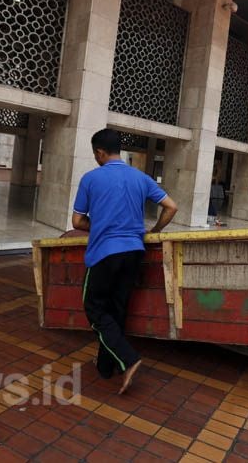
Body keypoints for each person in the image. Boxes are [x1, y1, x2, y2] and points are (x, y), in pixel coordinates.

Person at [72, 128, 178, 394]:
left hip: (104, 253)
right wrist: (154, 232)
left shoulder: (91, 178)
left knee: (94, 309)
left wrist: (100, 227)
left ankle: (129, 359)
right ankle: (107, 367)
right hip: (134, 252)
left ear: (99, 152)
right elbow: (171, 207)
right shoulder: (141, 178)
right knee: (116, 309)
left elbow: (77, 221)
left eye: (95, 153)